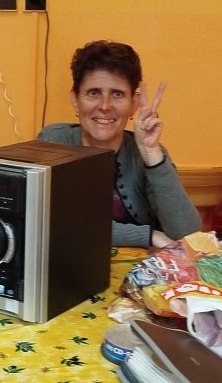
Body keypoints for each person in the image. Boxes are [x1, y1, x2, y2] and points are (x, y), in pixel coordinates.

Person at [37, 40, 201, 248]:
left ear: (133, 104)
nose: (105, 106)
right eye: (94, 93)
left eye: (117, 94)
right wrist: (148, 236)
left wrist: (152, 155)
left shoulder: (148, 152)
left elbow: (188, 234)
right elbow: (57, 222)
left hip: (141, 268)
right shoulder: (55, 142)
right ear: (75, 99)